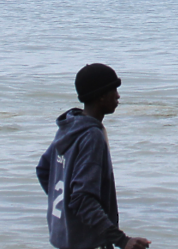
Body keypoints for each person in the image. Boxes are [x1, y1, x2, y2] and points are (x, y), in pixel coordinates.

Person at [36, 63, 151, 249]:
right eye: (114, 90)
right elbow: (82, 199)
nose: (118, 96)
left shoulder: (69, 126)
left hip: (63, 239)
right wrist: (122, 240)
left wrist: (65, 207)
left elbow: (43, 170)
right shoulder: (92, 136)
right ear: (101, 96)